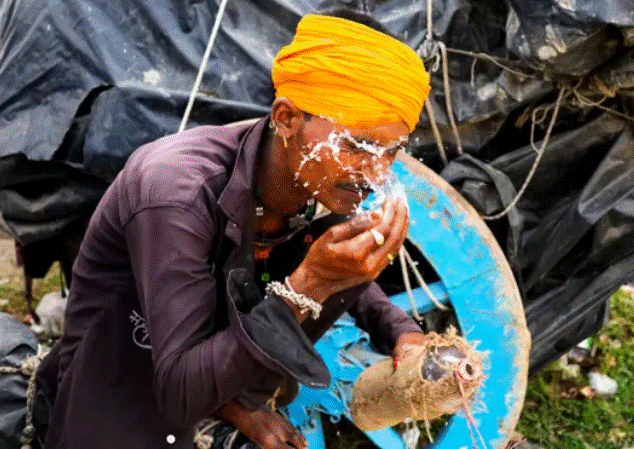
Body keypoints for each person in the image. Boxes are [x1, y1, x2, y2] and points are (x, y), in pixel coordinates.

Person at [34, 10, 431, 449]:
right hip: (118, 385)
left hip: (206, 377)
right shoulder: (175, 192)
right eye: (358, 146)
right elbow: (180, 393)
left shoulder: (295, 173)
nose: (377, 171)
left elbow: (320, 253)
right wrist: (311, 283)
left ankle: (235, 405)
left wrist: (400, 329)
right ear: (286, 119)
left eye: (392, 151)